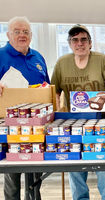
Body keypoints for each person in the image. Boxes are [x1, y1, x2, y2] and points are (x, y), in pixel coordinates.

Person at [50, 24, 105, 200]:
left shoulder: (101, 59)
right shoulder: (62, 63)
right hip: (73, 123)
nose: (79, 43)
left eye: (83, 39)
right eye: (75, 40)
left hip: (103, 122)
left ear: (90, 43)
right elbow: (55, 93)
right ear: (70, 43)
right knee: (75, 166)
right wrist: (54, 119)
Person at [0, 16, 49, 200]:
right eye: (17, 31)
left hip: (37, 125)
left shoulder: (38, 57)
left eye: (26, 31)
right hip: (10, 125)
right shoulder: (0, 55)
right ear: (8, 34)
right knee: (12, 173)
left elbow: (47, 87)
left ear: (31, 35)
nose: (22, 35)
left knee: (37, 173)